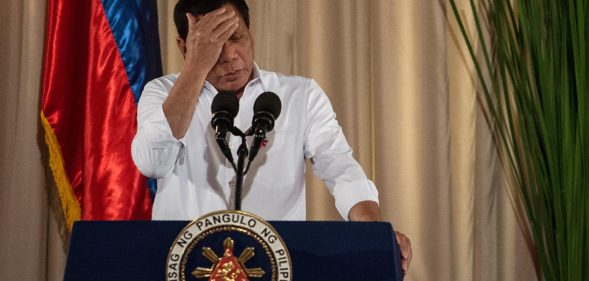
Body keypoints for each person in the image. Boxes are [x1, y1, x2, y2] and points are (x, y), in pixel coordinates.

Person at [131, 0, 412, 273]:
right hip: (184, 265)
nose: (229, 56)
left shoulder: (300, 95)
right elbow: (153, 163)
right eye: (212, 46)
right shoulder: (161, 94)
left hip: (274, 264)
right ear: (184, 47)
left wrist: (376, 234)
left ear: (251, 33)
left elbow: (341, 169)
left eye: (236, 37)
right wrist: (195, 67)